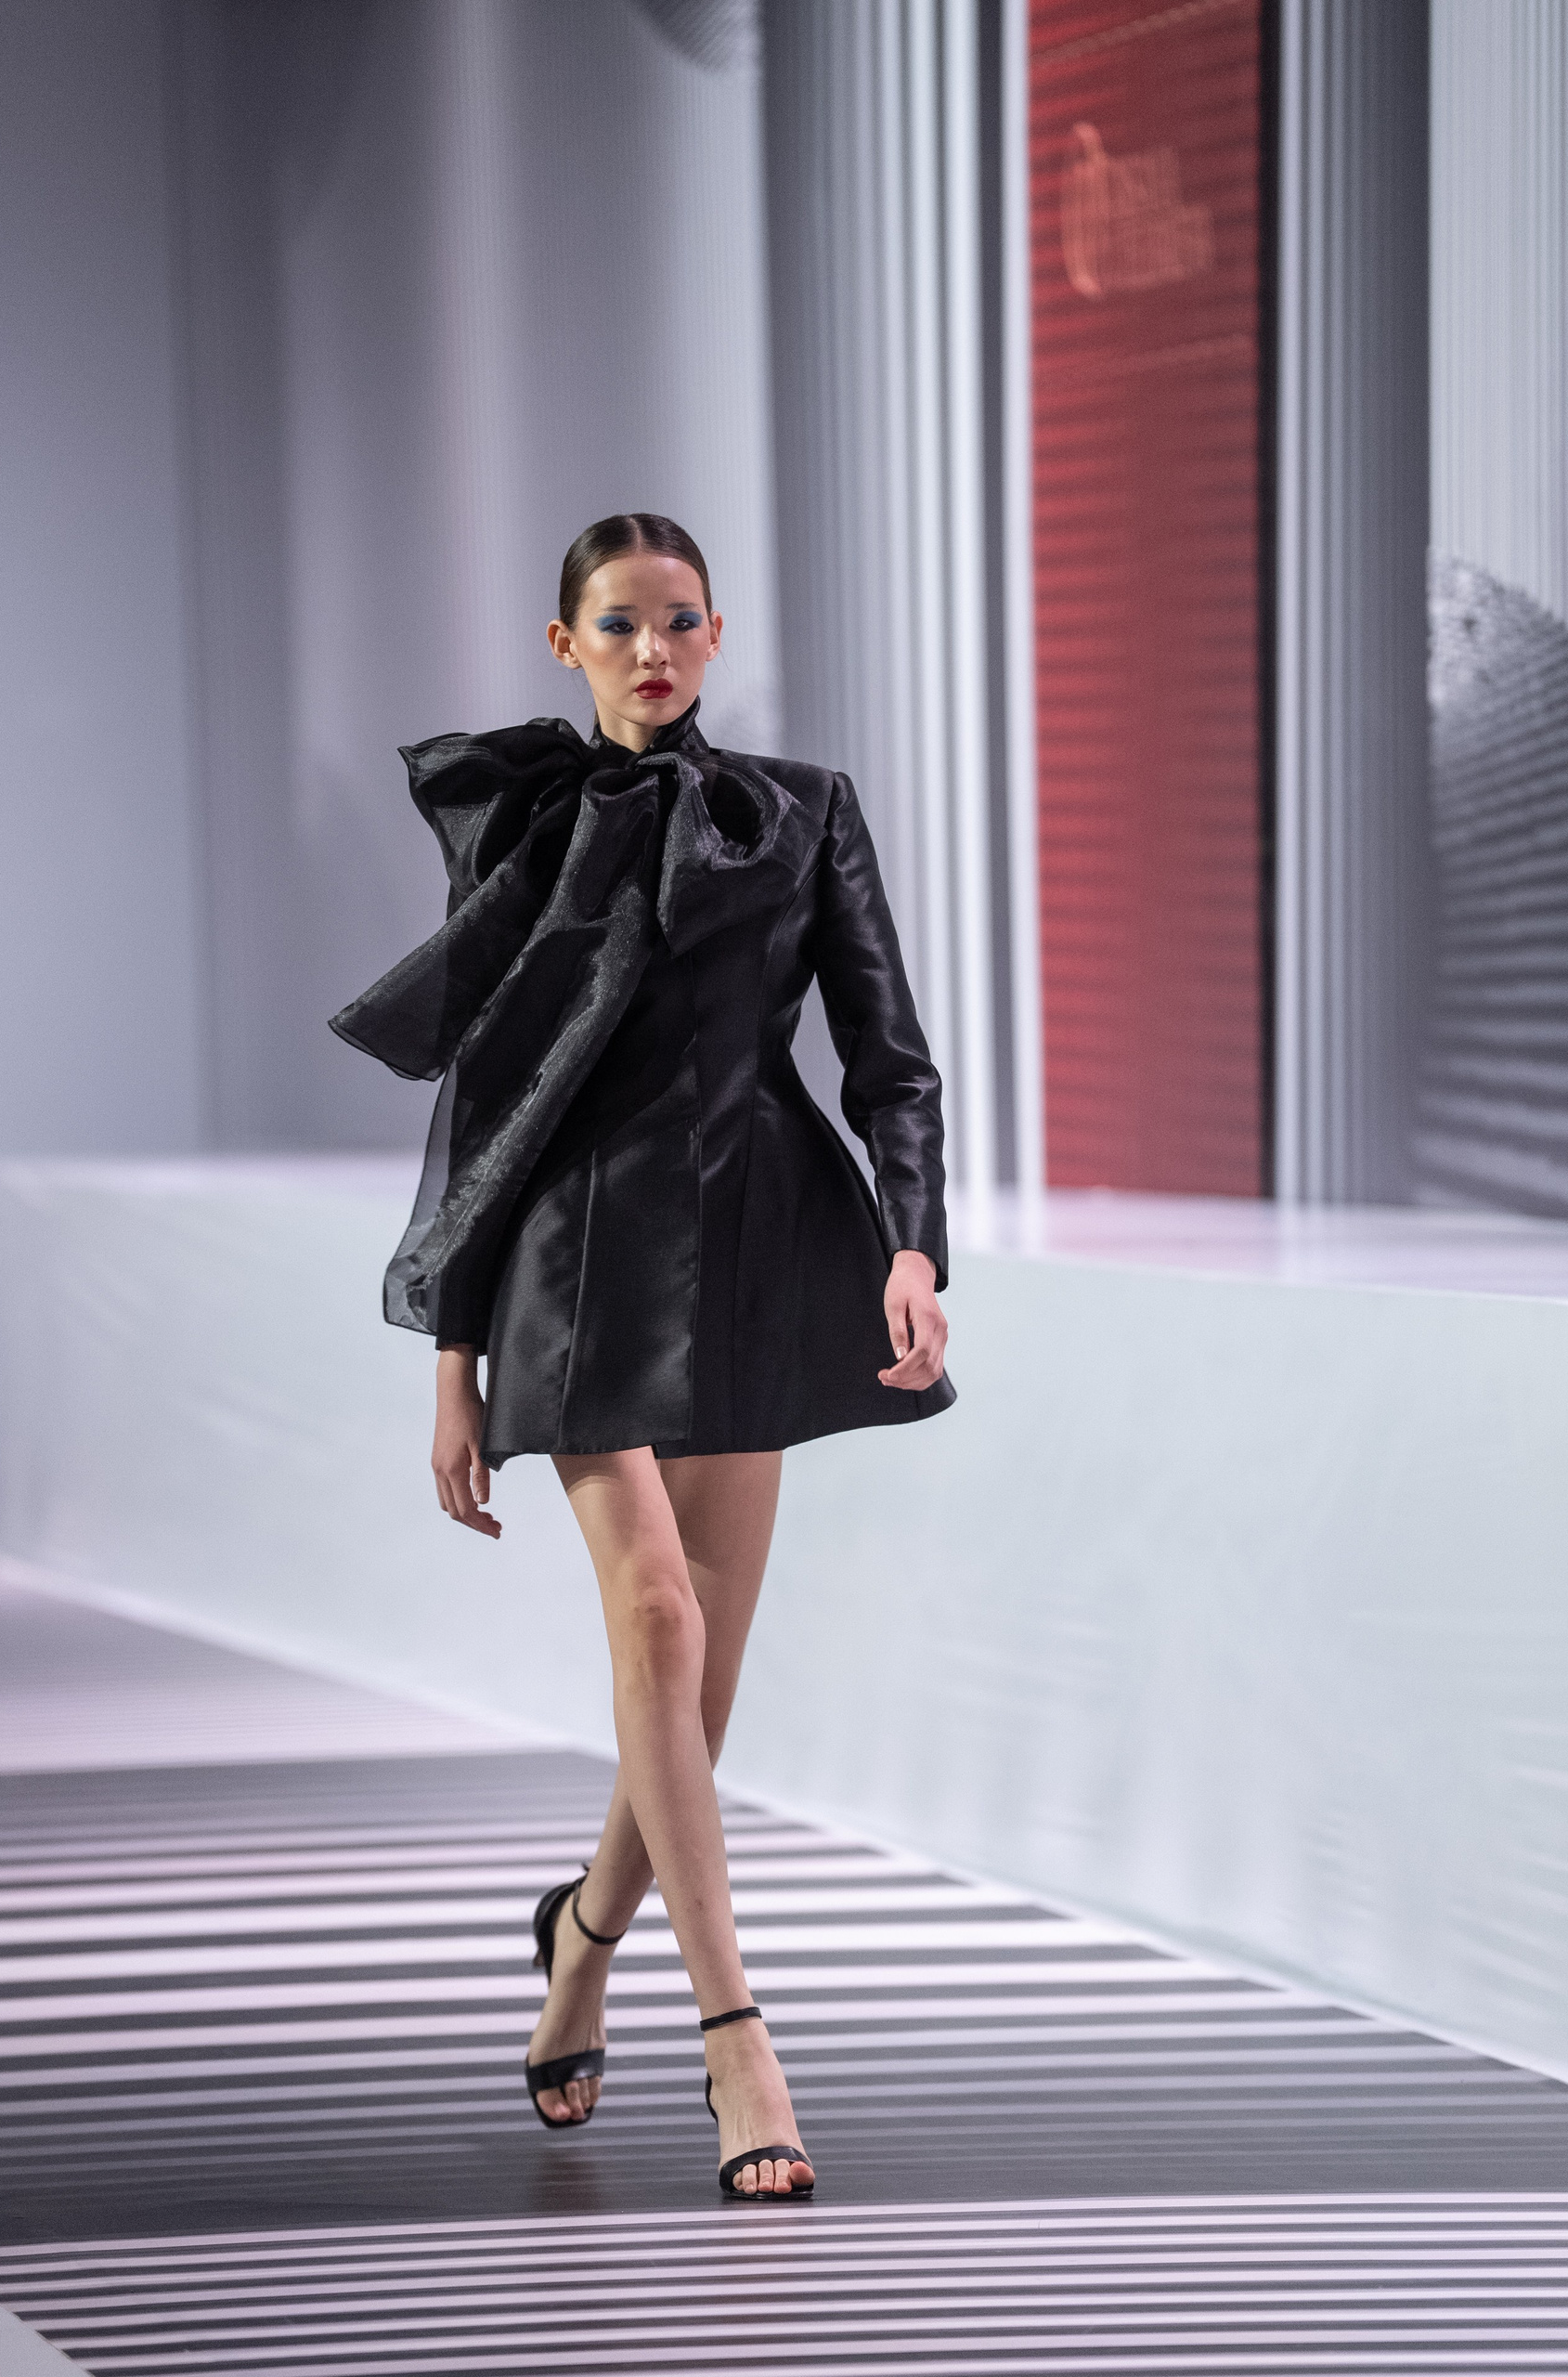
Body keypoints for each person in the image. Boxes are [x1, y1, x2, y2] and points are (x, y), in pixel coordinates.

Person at [331, 513, 953, 2198]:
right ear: (567, 645)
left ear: (715, 634)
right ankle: (738, 2037)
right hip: (574, 1253)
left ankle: (583, 1939)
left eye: (680, 621)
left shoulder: (802, 812)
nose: (654, 650)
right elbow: (486, 1098)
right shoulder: (523, 822)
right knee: (659, 1623)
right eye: (619, 624)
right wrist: (452, 1348)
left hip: (760, 1241)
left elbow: (890, 1058)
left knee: (700, 1680)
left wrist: (914, 1245)